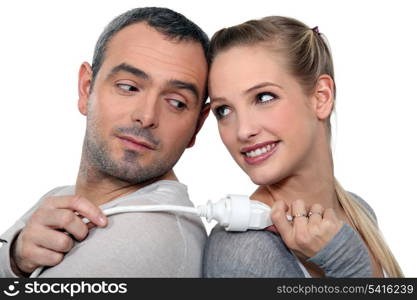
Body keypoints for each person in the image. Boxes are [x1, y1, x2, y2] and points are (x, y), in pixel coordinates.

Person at [0, 7, 210, 277]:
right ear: (86, 88)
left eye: (176, 102)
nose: (146, 117)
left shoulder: (143, 236)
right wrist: (15, 259)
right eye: (128, 87)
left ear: (198, 126)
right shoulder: (60, 198)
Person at [203, 16, 403, 277]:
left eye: (263, 97)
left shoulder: (358, 211)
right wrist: (348, 265)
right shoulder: (244, 253)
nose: (243, 130)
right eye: (224, 110)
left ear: (321, 98)